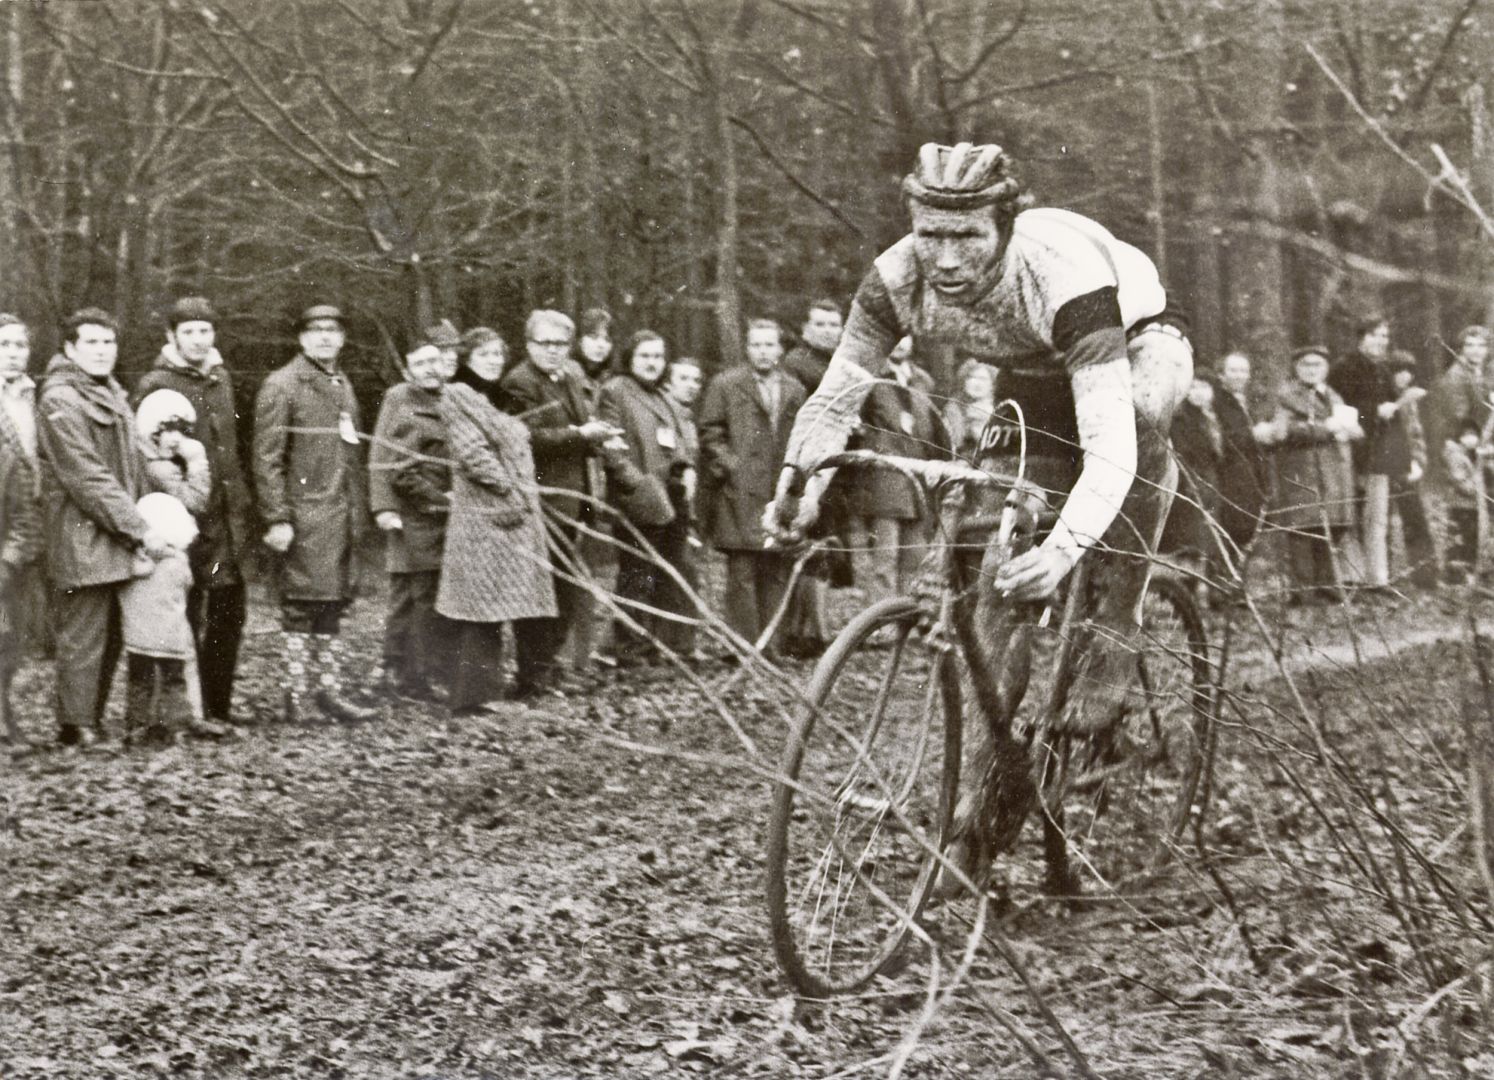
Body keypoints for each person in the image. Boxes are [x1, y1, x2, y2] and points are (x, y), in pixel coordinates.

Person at [766, 141, 1193, 735]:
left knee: (1140, 415)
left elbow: (1110, 443)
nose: (943, 259)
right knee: (995, 549)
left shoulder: (1063, 277)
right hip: (1032, 372)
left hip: (1136, 339)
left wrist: (1064, 549)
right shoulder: (895, 277)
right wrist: (800, 490)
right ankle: (992, 768)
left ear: (1007, 227)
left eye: (966, 237)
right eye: (929, 235)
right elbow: (835, 399)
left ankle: (1118, 623)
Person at [133, 297, 255, 728]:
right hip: (185, 515)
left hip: (227, 516)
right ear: (172, 336)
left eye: (205, 331)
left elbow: (234, 444)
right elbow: (146, 452)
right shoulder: (157, 382)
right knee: (187, 614)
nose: (199, 340)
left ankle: (218, 705)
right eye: (189, 332)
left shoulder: (221, 377)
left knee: (228, 611)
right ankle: (189, 710)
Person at [253, 304, 377, 724]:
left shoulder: (341, 382)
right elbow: (266, 459)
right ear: (301, 338)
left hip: (341, 512)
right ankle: (296, 695)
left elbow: (351, 452)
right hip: (304, 515)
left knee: (332, 604)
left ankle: (327, 691)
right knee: (300, 606)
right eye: (316, 330)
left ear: (342, 338)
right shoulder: (282, 385)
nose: (325, 337)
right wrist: (277, 517)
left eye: (333, 331)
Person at [498, 309, 624, 698]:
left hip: (577, 497)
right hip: (544, 498)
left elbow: (581, 423)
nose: (553, 351)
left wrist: (598, 436)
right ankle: (531, 676)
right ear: (529, 344)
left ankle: (552, 667)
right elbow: (524, 436)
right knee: (540, 590)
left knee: (567, 588)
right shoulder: (518, 382)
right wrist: (580, 434)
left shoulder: (570, 375)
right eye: (545, 343)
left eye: (560, 344)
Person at [438, 349, 558, 715]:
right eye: (483, 354)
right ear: (466, 358)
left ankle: (498, 689)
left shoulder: (489, 398)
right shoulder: (457, 394)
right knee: (481, 606)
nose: (493, 360)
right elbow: (473, 455)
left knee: (498, 603)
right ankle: (476, 697)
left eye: (498, 354)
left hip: (510, 516)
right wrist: (511, 489)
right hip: (486, 517)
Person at [700, 319, 806, 656]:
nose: (763, 352)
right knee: (742, 571)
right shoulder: (726, 384)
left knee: (775, 568)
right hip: (739, 491)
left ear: (780, 349)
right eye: (756, 345)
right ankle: (743, 647)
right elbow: (710, 432)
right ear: (747, 348)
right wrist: (732, 466)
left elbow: (802, 436)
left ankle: (771, 645)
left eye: (769, 345)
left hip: (779, 488)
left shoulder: (794, 389)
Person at [369, 324, 460, 702]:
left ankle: (401, 672)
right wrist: (386, 507)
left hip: (432, 514)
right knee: (420, 597)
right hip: (418, 515)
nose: (429, 369)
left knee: (415, 596)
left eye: (434, 361)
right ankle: (415, 676)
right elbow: (390, 462)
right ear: (408, 369)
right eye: (420, 363)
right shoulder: (403, 401)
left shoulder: (447, 399)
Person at [134, 387, 229, 738]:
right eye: (166, 431)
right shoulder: (160, 468)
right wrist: (197, 461)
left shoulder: (159, 461)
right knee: (171, 636)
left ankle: (172, 713)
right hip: (161, 560)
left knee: (171, 633)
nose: (175, 439)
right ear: (151, 432)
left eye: (181, 430)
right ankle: (175, 715)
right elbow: (196, 500)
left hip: (168, 558)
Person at [599, 330, 696, 663]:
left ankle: (659, 644)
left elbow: (677, 443)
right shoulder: (615, 392)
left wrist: (683, 469)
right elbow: (610, 448)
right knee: (637, 574)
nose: (653, 363)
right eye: (645, 356)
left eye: (658, 357)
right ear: (630, 359)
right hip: (638, 497)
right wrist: (637, 484)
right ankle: (630, 647)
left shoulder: (662, 396)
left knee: (667, 573)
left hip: (671, 496)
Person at [847, 335, 949, 605]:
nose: (899, 343)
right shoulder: (871, 378)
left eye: (905, 338)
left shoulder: (923, 381)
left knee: (916, 553)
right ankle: (881, 623)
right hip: (885, 478)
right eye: (894, 337)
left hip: (918, 477)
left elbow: (932, 428)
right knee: (886, 555)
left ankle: (909, 617)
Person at [780, 300, 847, 658]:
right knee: (808, 545)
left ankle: (811, 630)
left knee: (823, 547)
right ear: (806, 329)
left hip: (836, 467)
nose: (827, 330)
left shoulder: (838, 363)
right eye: (819, 324)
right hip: (807, 464)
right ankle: (808, 632)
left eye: (834, 325)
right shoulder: (796, 363)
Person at [1270, 347, 1360, 605]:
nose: (1312, 369)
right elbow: (1284, 431)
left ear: (1326, 368)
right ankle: (1302, 590)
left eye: (1318, 365)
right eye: (1306, 365)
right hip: (1303, 471)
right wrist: (1325, 429)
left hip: (1334, 472)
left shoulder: (1332, 395)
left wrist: (1352, 430)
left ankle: (1326, 585)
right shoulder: (1287, 396)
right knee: (1303, 530)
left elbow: (1347, 422)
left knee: (1331, 528)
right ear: (1297, 368)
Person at [119, 493, 199, 748]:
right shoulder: (178, 563)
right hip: (170, 636)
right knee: (173, 682)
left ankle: (136, 726)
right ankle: (177, 727)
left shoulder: (133, 563)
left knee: (139, 682)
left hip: (138, 638)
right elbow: (188, 584)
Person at [566, 308, 620, 673]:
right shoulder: (571, 377)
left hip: (595, 484)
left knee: (586, 573)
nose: (599, 346)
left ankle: (581, 657)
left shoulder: (606, 381)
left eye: (605, 338)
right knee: (570, 572)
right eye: (592, 338)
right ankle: (567, 655)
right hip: (571, 483)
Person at [1328, 314, 1396, 595]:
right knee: (1352, 514)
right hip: (1352, 451)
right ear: (1361, 337)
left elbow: (1392, 408)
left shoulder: (1384, 370)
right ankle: (1351, 577)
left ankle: (1377, 577)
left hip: (1380, 450)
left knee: (1378, 516)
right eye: (1374, 335)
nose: (1380, 341)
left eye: (1384, 336)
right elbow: (1340, 407)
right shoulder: (1344, 368)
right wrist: (1374, 411)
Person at [0, 314, 42, 753]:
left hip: (28, 519)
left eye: (19, 345)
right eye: (5, 345)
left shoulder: (32, 396)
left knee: (14, 634)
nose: (13, 353)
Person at [1159, 375, 1223, 592]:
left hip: (1209, 482)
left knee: (1208, 536)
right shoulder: (1180, 418)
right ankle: (1191, 588)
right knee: (1192, 538)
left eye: (1204, 387)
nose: (1199, 392)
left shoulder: (1209, 417)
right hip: (1189, 483)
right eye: (1194, 387)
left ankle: (1207, 586)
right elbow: (1182, 453)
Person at [1209, 352, 1271, 567]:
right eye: (1233, 370)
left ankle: (1235, 586)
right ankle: (1223, 588)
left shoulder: (1247, 402)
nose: (1239, 376)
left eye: (1244, 371)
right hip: (1228, 475)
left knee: (1246, 532)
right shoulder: (1216, 401)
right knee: (1230, 530)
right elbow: (1221, 437)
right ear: (1221, 375)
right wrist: (1254, 435)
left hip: (1250, 475)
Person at [1383, 351, 1438, 589]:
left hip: (1409, 467)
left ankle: (1425, 575)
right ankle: (1382, 577)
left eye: (1408, 372)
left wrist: (1418, 461)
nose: (1404, 377)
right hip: (1386, 465)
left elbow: (1417, 436)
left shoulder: (1412, 401)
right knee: (1381, 521)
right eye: (1398, 372)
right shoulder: (1385, 398)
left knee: (1415, 519)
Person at [1442, 423, 1486, 584]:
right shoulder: (1455, 454)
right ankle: (1457, 575)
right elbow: (1460, 481)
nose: (1472, 438)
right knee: (1460, 539)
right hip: (1460, 504)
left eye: (1474, 434)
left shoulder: (1466, 454)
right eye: (1467, 434)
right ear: (1460, 436)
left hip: (1467, 505)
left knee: (1467, 539)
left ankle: (1464, 573)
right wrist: (1474, 488)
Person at [943, 359, 998, 461]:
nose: (977, 383)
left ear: (992, 385)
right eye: (972, 378)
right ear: (963, 382)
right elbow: (955, 444)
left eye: (983, 379)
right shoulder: (953, 409)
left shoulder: (999, 407)